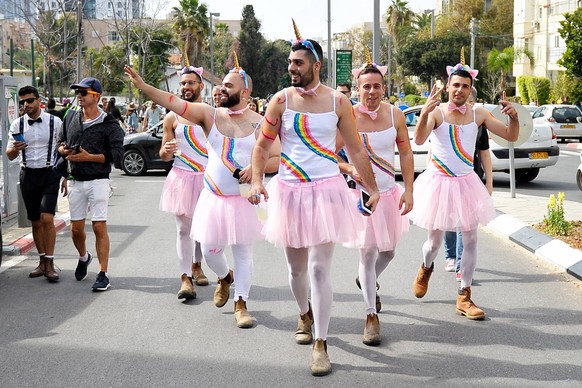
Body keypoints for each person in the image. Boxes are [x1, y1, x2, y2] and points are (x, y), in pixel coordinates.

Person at [248, 23, 379, 376]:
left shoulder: (338, 103)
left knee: (321, 268)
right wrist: (258, 179)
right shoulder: (280, 100)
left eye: (299, 63)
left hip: (326, 192)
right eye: (290, 62)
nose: (292, 68)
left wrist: (372, 187)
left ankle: (321, 342)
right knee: (296, 270)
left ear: (316, 65)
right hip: (289, 193)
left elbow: (354, 148)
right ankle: (303, 312)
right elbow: (261, 146)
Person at [125, 57, 280, 328]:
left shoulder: (261, 123)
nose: (221, 89)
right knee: (209, 252)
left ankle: (241, 303)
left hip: (246, 197)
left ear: (245, 92)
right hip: (213, 197)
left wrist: (256, 169)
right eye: (220, 85)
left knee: (244, 252)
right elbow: (173, 102)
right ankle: (224, 277)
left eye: (228, 86)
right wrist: (144, 86)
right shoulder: (209, 115)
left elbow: (277, 157)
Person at [410, 60, 519, 320]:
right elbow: (419, 139)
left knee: (471, 239)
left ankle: (464, 295)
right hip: (439, 184)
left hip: (467, 183)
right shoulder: (437, 113)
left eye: (465, 86)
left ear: (471, 90)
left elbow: (510, 135)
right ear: (447, 86)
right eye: (455, 85)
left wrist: (513, 117)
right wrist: (425, 112)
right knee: (433, 243)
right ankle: (426, 268)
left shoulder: (478, 113)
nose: (460, 90)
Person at [339, 58, 414, 346]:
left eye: (377, 86)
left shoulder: (395, 115)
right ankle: (370, 315)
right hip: (361, 197)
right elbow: (330, 154)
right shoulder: (347, 117)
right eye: (366, 86)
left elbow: (406, 154)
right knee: (367, 254)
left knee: (389, 252)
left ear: (384, 88)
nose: (372, 92)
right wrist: (349, 169)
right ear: (357, 89)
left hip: (389, 194)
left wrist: (409, 189)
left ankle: (365, 280)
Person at [56, 77, 125, 291]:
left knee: (98, 226)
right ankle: (84, 257)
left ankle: (103, 273)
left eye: (83, 92)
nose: (79, 95)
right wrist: (64, 151)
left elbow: (118, 155)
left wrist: (90, 157)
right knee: (76, 230)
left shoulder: (109, 123)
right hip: (76, 180)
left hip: (98, 180)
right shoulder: (71, 116)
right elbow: (60, 143)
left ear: (96, 96)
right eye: (78, 92)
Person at [159, 65, 210, 300]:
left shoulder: (211, 114)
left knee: (203, 230)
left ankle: (197, 264)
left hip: (208, 178)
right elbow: (164, 154)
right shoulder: (171, 117)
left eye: (191, 83)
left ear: (201, 85)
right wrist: (167, 151)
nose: (186, 87)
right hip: (181, 177)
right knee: (183, 229)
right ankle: (185, 278)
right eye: (183, 83)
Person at [6, 85, 64, 282]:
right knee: (36, 221)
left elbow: (63, 148)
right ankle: (41, 261)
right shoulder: (17, 125)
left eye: (29, 100)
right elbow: (9, 154)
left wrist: (66, 176)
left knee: (47, 218)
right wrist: (15, 149)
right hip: (28, 174)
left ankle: (50, 262)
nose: (26, 105)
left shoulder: (55, 122)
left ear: (39, 101)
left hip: (50, 173)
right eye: (22, 102)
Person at [443, 87, 493, 280]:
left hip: (471, 180)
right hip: (447, 179)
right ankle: (450, 255)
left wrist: (489, 182)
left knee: (466, 224)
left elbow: (485, 153)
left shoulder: (480, 122)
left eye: (471, 102)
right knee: (448, 219)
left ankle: (461, 269)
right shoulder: (445, 118)